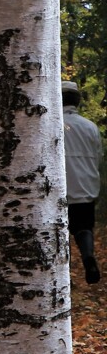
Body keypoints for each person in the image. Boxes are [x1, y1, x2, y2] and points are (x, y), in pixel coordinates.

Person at [63, 80, 103, 285]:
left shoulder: (53, 125)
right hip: (86, 188)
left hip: (60, 190)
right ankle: (88, 256)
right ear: (77, 101)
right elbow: (99, 157)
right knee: (83, 228)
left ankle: (64, 275)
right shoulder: (90, 127)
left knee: (59, 233)